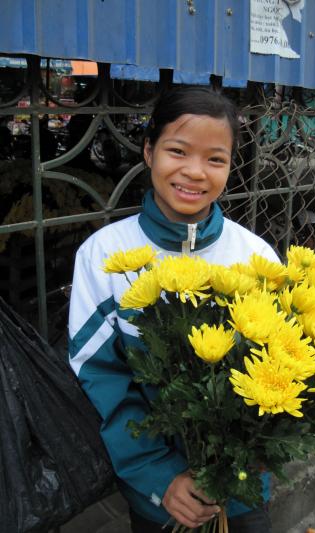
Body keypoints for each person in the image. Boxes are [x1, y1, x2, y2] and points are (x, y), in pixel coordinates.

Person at [68, 86, 280, 532]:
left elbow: (282, 368)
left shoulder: (255, 258)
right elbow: (101, 380)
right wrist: (160, 478)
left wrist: (252, 457)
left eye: (215, 159)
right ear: (148, 151)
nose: (194, 172)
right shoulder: (104, 256)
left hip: (240, 494)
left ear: (230, 166)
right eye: (177, 151)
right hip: (160, 502)